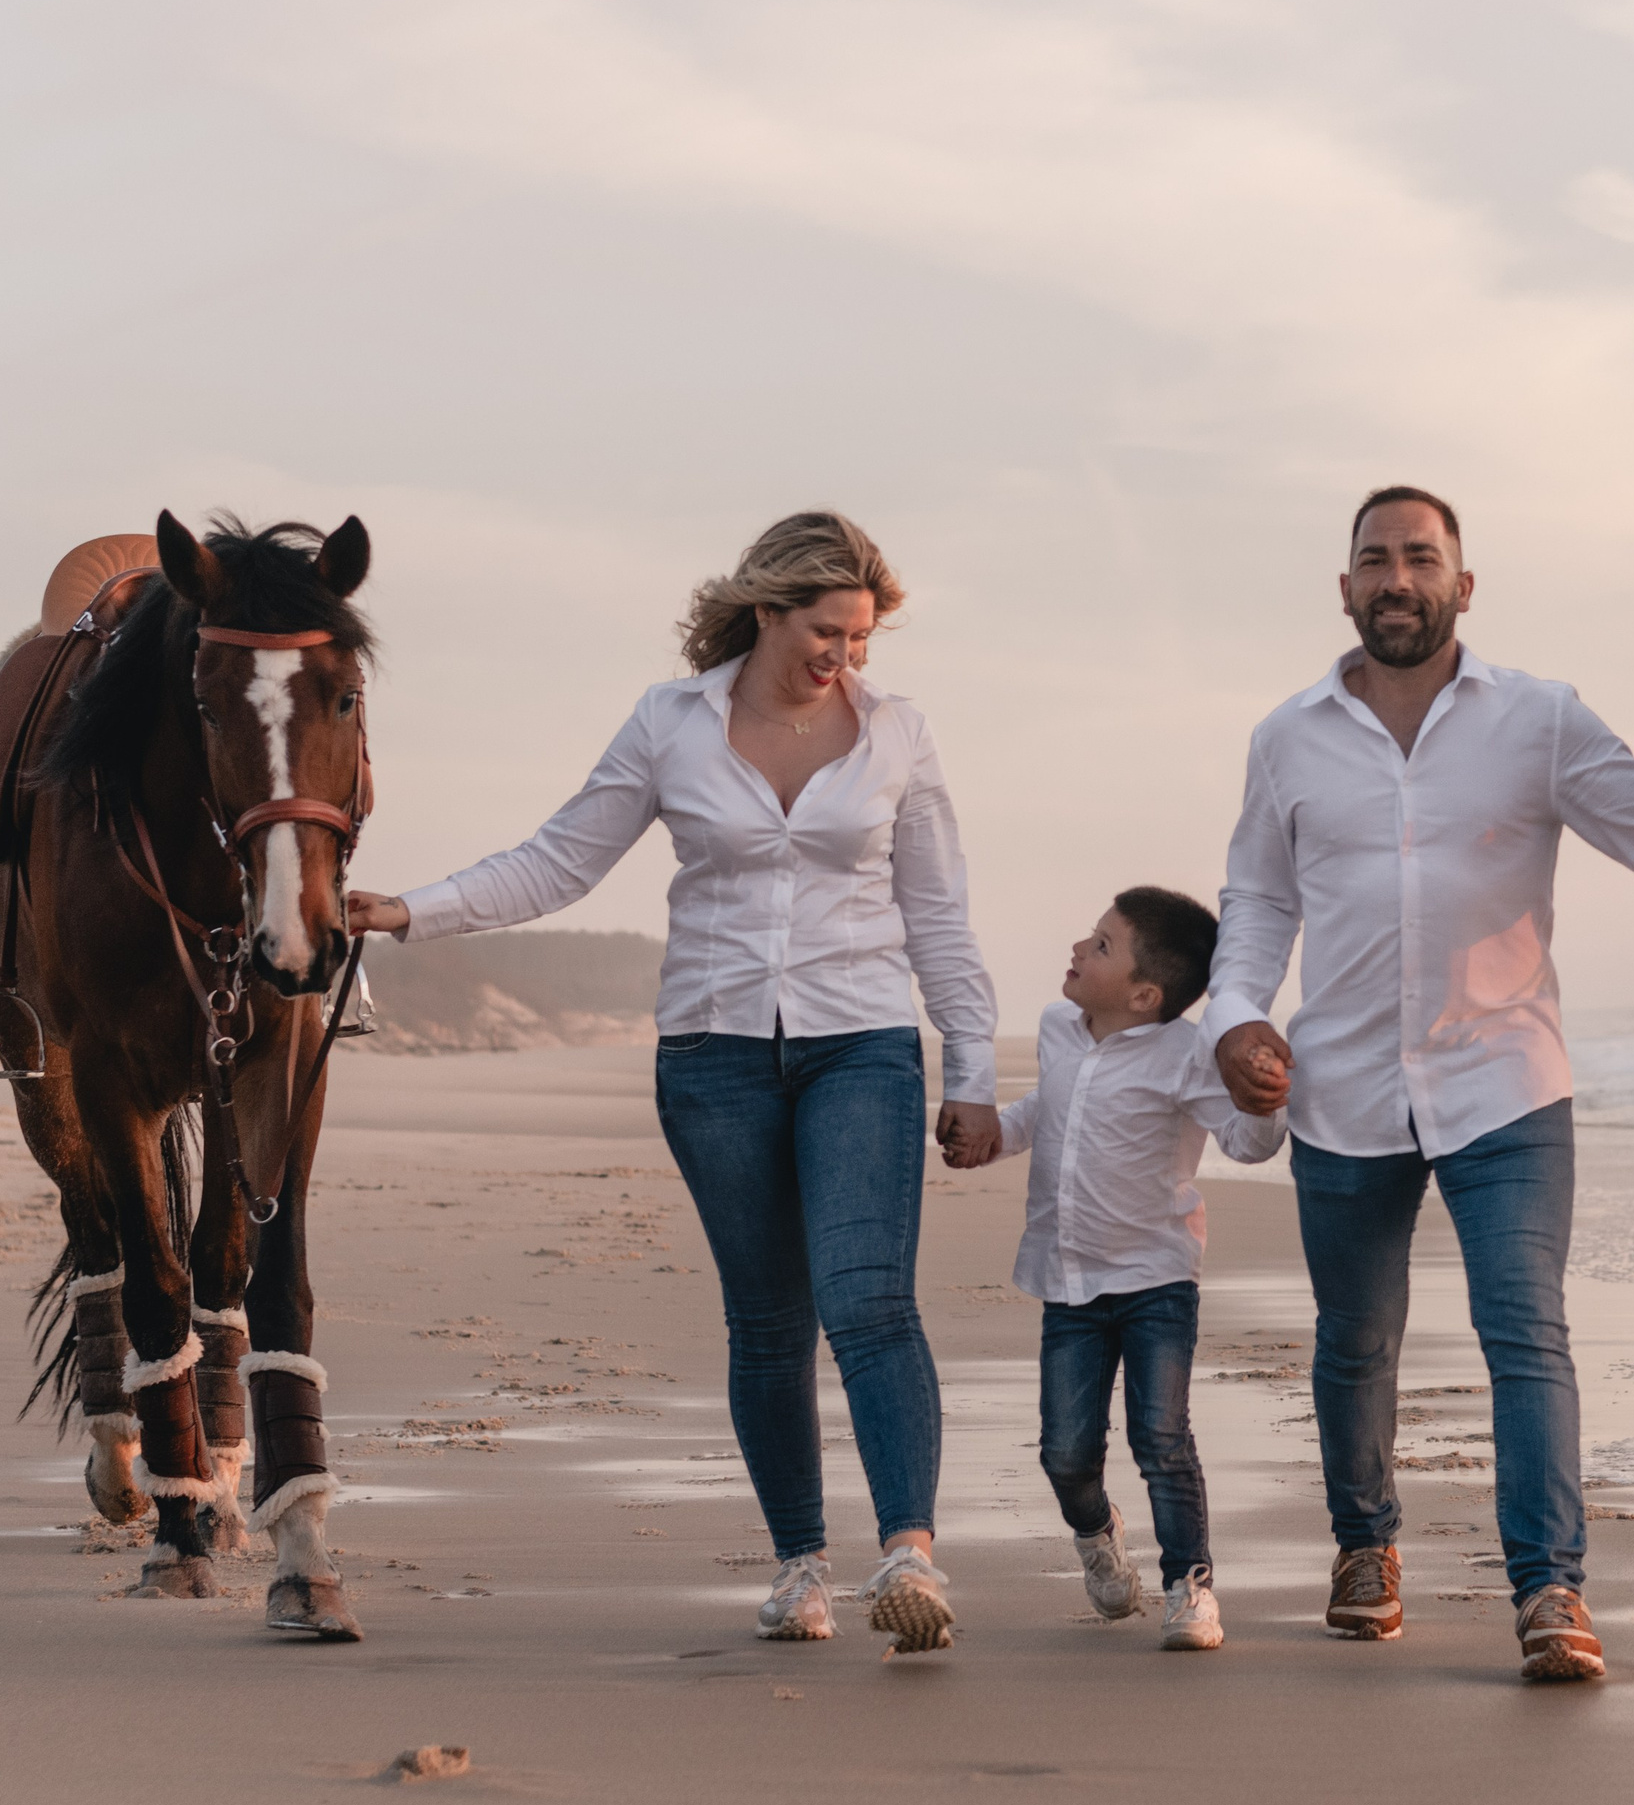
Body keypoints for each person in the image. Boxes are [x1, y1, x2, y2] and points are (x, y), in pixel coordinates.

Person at [1203, 486, 1634, 1684]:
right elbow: (1256, 899)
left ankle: (1550, 1585)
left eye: (1420, 557)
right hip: (1341, 1082)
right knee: (1355, 1338)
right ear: (1345, 588)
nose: (1397, 578)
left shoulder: (1537, 719)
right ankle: (1365, 1541)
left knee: (1525, 1330)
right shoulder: (1286, 737)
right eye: (1374, 559)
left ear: (1462, 584)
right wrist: (1236, 1014)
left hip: (1503, 1079)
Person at [347, 511, 999, 1656]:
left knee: (869, 1299)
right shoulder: (671, 721)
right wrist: (410, 910)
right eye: (826, 630)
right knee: (768, 1319)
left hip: (861, 1043)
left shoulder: (898, 733)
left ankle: (909, 1553)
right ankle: (801, 1565)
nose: (843, 655)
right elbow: (560, 858)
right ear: (767, 609)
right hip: (714, 1053)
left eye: (860, 636)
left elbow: (938, 912)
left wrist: (975, 1065)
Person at [983, 888, 1284, 1652]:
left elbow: (1245, 1144)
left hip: (1156, 1278)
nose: (1079, 949)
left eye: (1102, 945)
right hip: (1069, 1278)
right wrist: (994, 1133)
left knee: (1162, 1437)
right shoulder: (1057, 1029)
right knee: (1065, 1453)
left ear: (1146, 995)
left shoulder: (1186, 1055)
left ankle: (1190, 1585)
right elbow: (1046, 1106)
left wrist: (1268, 1099)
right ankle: (1097, 1532)